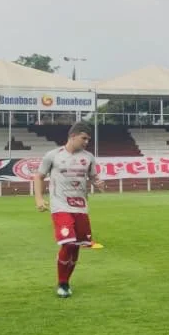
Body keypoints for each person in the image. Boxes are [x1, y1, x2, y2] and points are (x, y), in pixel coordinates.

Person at [34, 121, 103, 298]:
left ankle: (66, 281)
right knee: (68, 242)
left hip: (81, 207)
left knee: (76, 246)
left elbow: (94, 177)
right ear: (73, 136)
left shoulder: (88, 157)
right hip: (60, 205)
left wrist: (98, 182)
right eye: (84, 138)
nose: (87, 142)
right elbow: (39, 176)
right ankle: (62, 283)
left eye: (88, 139)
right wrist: (39, 199)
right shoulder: (53, 155)